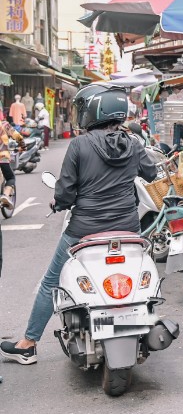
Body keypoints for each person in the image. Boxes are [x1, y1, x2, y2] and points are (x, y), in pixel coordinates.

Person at [0, 84, 158, 365]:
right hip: (127, 227)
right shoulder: (133, 142)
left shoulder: (79, 145)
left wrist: (58, 202)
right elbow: (150, 172)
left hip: (84, 229)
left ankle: (28, 344)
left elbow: (65, 193)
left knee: (51, 281)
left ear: (93, 112)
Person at [0, 119, 23, 209]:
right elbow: (18, 137)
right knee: (10, 178)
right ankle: (5, 195)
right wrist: (22, 147)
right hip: (2, 157)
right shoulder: (4, 124)